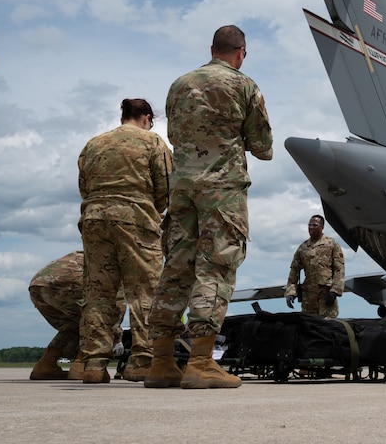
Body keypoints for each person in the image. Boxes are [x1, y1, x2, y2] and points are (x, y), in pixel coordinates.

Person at [145, 25, 273, 390]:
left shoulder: (179, 84)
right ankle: (201, 361)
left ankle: (161, 362)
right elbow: (263, 146)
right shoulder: (243, 85)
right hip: (222, 189)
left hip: (182, 188)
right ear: (241, 52)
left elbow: (175, 135)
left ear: (212, 48)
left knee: (177, 267)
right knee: (217, 265)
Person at [76, 98, 171, 384]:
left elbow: (84, 186)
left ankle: (93, 363)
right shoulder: (152, 142)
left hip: (94, 218)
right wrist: (150, 210)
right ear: (146, 117)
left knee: (98, 292)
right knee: (145, 291)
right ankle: (142, 359)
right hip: (135, 218)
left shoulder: (94, 144)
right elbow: (165, 186)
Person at [28, 251, 127, 381]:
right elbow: (116, 307)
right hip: (72, 281)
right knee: (102, 316)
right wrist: (116, 338)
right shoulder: (124, 263)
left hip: (38, 286)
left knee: (73, 325)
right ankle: (82, 365)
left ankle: (46, 364)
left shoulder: (97, 248)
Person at [284, 215, 345, 317]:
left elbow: (339, 269)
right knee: (309, 326)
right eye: (309, 225)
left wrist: (335, 290)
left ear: (322, 227)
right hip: (308, 297)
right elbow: (294, 271)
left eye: (314, 225)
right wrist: (291, 292)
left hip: (325, 295)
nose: (311, 227)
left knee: (327, 325)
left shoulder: (331, 244)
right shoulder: (303, 248)